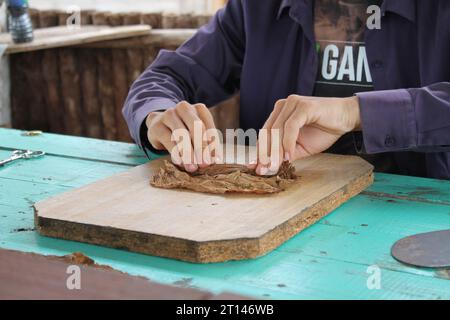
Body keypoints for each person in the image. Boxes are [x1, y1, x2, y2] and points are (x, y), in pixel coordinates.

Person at [123, 0, 450, 179]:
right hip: (269, 219)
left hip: (415, 223)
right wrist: (156, 116)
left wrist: (354, 112)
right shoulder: (255, 8)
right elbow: (164, 77)